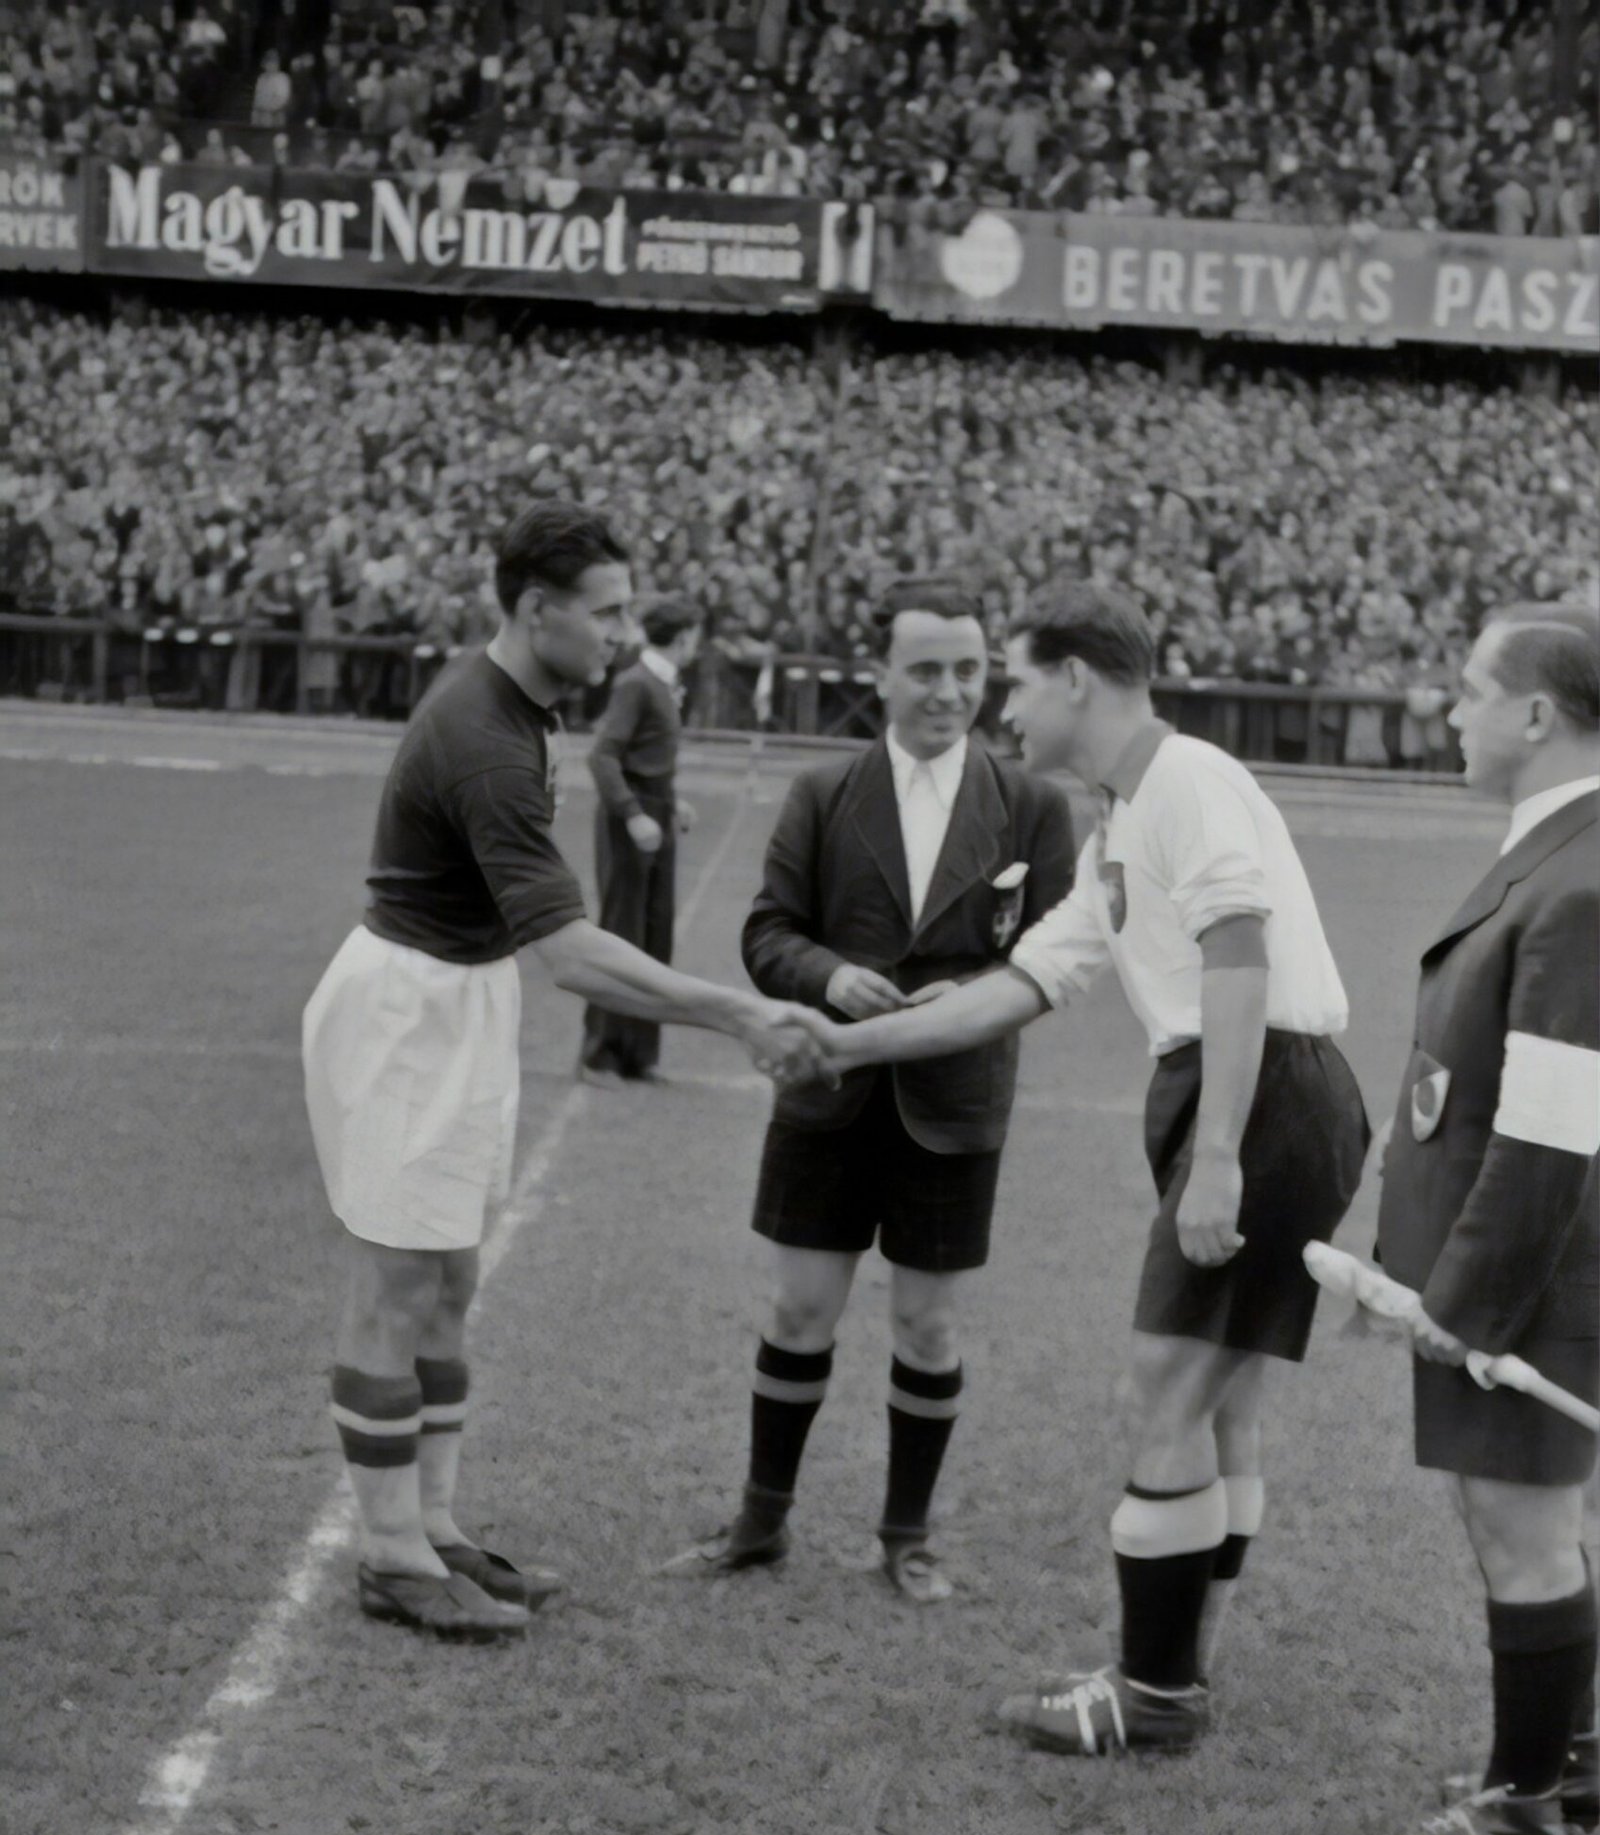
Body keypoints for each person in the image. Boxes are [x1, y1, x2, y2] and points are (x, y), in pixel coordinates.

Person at [820, 579, 1369, 1745]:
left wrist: (1218, 1151)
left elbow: (1237, 948)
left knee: (1165, 1384)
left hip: (1261, 1091)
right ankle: (1181, 1664)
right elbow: (1026, 982)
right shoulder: (1121, 819)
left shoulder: (1186, 780)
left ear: (1075, 676)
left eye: (1015, 679)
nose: (1002, 706)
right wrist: (846, 1040)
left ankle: (1151, 1694)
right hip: (1243, 1090)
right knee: (1219, 1401)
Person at [302, 502, 833, 1644]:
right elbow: (569, 953)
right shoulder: (488, 739)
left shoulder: (522, 703)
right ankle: (390, 1555)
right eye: (607, 612)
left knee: (446, 1281)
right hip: (409, 1009)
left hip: (460, 994)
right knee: (393, 1286)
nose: (625, 633)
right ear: (536, 610)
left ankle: (433, 1527)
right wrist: (738, 1009)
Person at [669, 575, 1076, 1602]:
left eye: (969, 671)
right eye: (926, 670)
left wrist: (974, 991)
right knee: (801, 1308)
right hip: (826, 1093)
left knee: (928, 1327)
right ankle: (760, 1523)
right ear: (880, 675)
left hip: (955, 1103)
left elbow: (1055, 958)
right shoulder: (823, 791)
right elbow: (767, 933)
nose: (949, 691)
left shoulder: (1030, 804)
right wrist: (824, 975)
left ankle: (907, 1538)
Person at [1361, 603, 1599, 1835]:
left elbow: (1554, 1128)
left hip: (1538, 1276)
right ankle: (1570, 1763)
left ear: (1534, 714)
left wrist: (1468, 1301)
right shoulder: (1559, 850)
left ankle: (1518, 1814)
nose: (1445, 712)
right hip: (1528, 1268)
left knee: (1523, 1527)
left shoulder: (1582, 871)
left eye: (1465, 690)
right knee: (1538, 1520)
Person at [580, 594, 704, 1085]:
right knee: (620, 934)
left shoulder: (667, 684)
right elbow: (603, 757)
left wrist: (671, 803)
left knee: (654, 934)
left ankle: (638, 1052)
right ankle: (599, 1053)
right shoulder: (637, 683)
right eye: (695, 636)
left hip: (656, 811)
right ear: (682, 638)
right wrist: (633, 814)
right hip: (630, 819)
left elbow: (650, 756)